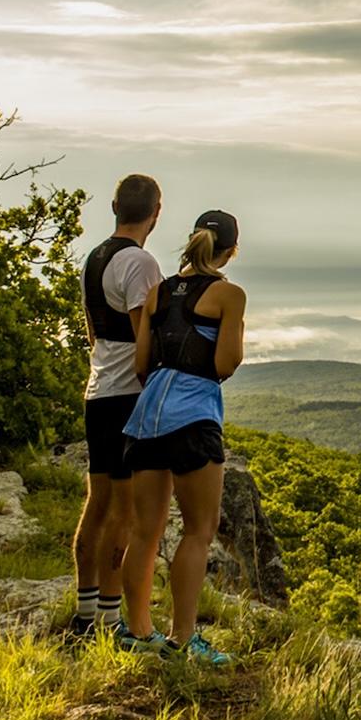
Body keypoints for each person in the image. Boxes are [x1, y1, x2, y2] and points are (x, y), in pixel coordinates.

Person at [119, 208, 245, 665]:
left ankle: (137, 630)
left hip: (146, 416)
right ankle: (183, 639)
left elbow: (141, 363)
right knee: (199, 531)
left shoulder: (159, 291)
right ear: (230, 250)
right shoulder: (228, 294)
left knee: (144, 531)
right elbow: (224, 364)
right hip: (193, 417)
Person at [71, 173, 163, 638]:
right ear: (156, 212)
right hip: (130, 394)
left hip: (98, 389)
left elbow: (93, 332)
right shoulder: (140, 263)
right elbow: (143, 336)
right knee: (125, 510)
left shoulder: (93, 259)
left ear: (113, 207)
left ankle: (85, 613)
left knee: (98, 502)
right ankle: (110, 619)